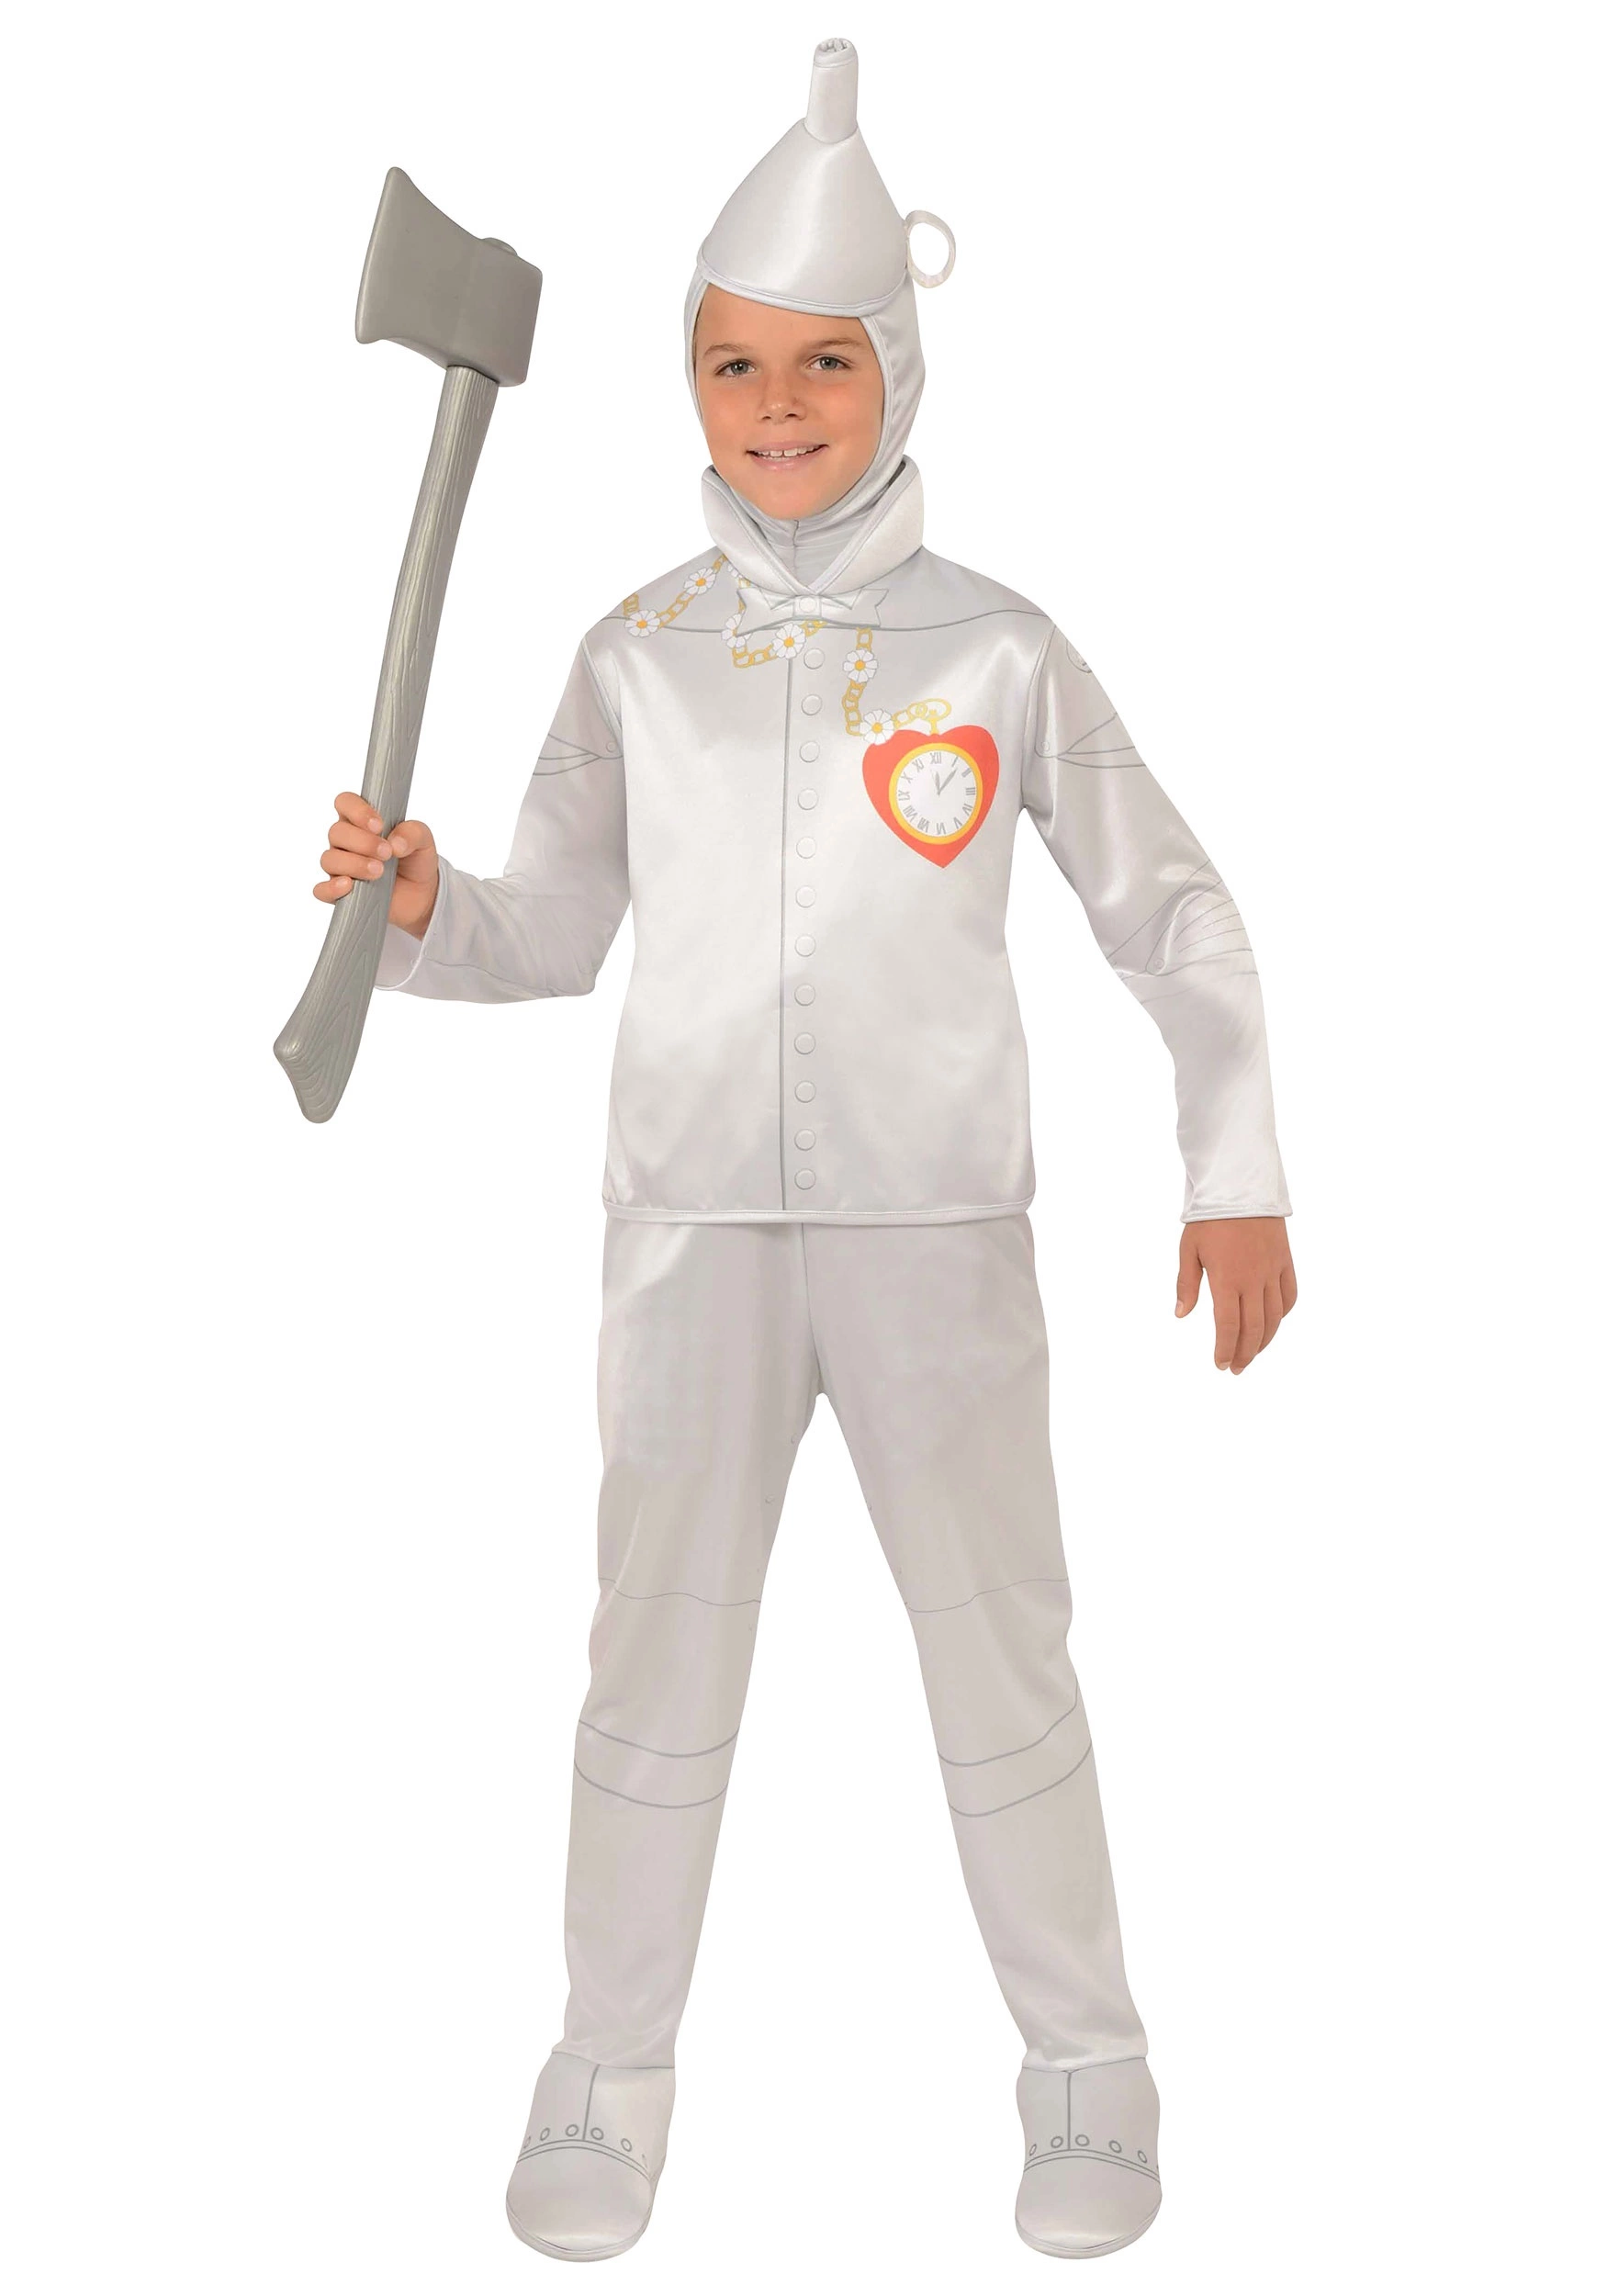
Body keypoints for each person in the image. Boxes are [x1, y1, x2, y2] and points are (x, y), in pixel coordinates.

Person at [313, 37, 1296, 2263]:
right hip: (687, 1236)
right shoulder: (634, 656)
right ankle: (606, 2062)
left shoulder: (998, 654)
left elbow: (1174, 908)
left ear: (896, 369)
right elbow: (552, 931)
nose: (774, 406)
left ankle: (1086, 2063)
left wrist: (1230, 1158)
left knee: (999, 1655)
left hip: (934, 1233)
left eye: (821, 363)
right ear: (686, 377)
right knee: (649, 1660)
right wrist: (424, 906)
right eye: (732, 364)